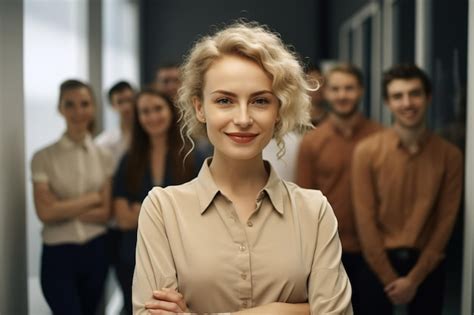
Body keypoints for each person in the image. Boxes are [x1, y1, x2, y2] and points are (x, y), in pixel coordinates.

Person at [132, 22, 353, 314]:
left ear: (278, 111)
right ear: (200, 108)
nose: (244, 118)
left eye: (260, 101)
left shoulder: (314, 211)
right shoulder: (162, 209)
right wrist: (295, 310)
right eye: (225, 100)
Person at [352, 64, 463, 315]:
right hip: (377, 264)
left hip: (428, 266)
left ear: (428, 97)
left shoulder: (450, 155)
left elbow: (445, 222)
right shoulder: (366, 151)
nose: (407, 103)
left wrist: (414, 279)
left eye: (415, 93)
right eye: (397, 96)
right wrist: (390, 277)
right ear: (387, 103)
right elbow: (365, 220)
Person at [296, 63, 381, 313]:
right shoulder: (312, 142)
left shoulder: (381, 137)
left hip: (374, 251)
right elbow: (304, 201)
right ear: (326, 93)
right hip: (328, 251)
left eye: (349, 88)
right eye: (336, 89)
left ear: (362, 91)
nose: (342, 95)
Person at [112, 88, 201, 314]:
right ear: (138, 118)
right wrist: (172, 210)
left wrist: (140, 209)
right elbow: (122, 219)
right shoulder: (129, 160)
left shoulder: (193, 155)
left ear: (170, 111)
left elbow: (200, 212)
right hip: (133, 256)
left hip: (185, 257)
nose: (152, 116)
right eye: (145, 111)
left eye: (158, 109)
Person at [31, 79, 114, 315]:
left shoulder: (105, 156)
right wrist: (92, 198)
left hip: (96, 251)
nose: (78, 111)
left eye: (84, 104)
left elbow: (105, 212)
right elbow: (45, 213)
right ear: (60, 109)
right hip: (58, 254)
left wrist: (61, 208)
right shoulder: (42, 157)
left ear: (94, 108)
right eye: (70, 104)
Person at [95, 81, 136, 164]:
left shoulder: (152, 135)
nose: (126, 107)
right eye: (120, 102)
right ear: (112, 106)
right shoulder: (103, 143)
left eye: (130, 100)